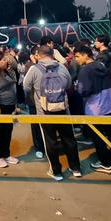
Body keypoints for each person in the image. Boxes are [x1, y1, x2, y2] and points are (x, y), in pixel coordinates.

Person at [23, 45, 81, 181]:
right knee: (69, 139)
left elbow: (25, 87)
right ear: (52, 54)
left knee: (50, 142)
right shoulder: (61, 67)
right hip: (63, 110)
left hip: (44, 112)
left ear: (38, 54)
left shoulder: (34, 69)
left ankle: (56, 172)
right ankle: (76, 168)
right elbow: (68, 85)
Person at [74, 45, 111, 174]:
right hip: (109, 104)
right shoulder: (101, 65)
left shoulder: (84, 71)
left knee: (98, 136)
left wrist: (78, 88)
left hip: (95, 107)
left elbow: (84, 90)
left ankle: (105, 163)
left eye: (77, 56)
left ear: (85, 55)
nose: (76, 59)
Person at [24, 46, 45, 158]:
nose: (39, 56)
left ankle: (46, 145)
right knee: (36, 125)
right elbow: (27, 85)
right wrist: (33, 63)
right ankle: (38, 147)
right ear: (32, 55)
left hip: (46, 99)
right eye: (37, 54)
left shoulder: (46, 64)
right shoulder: (29, 65)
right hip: (33, 100)